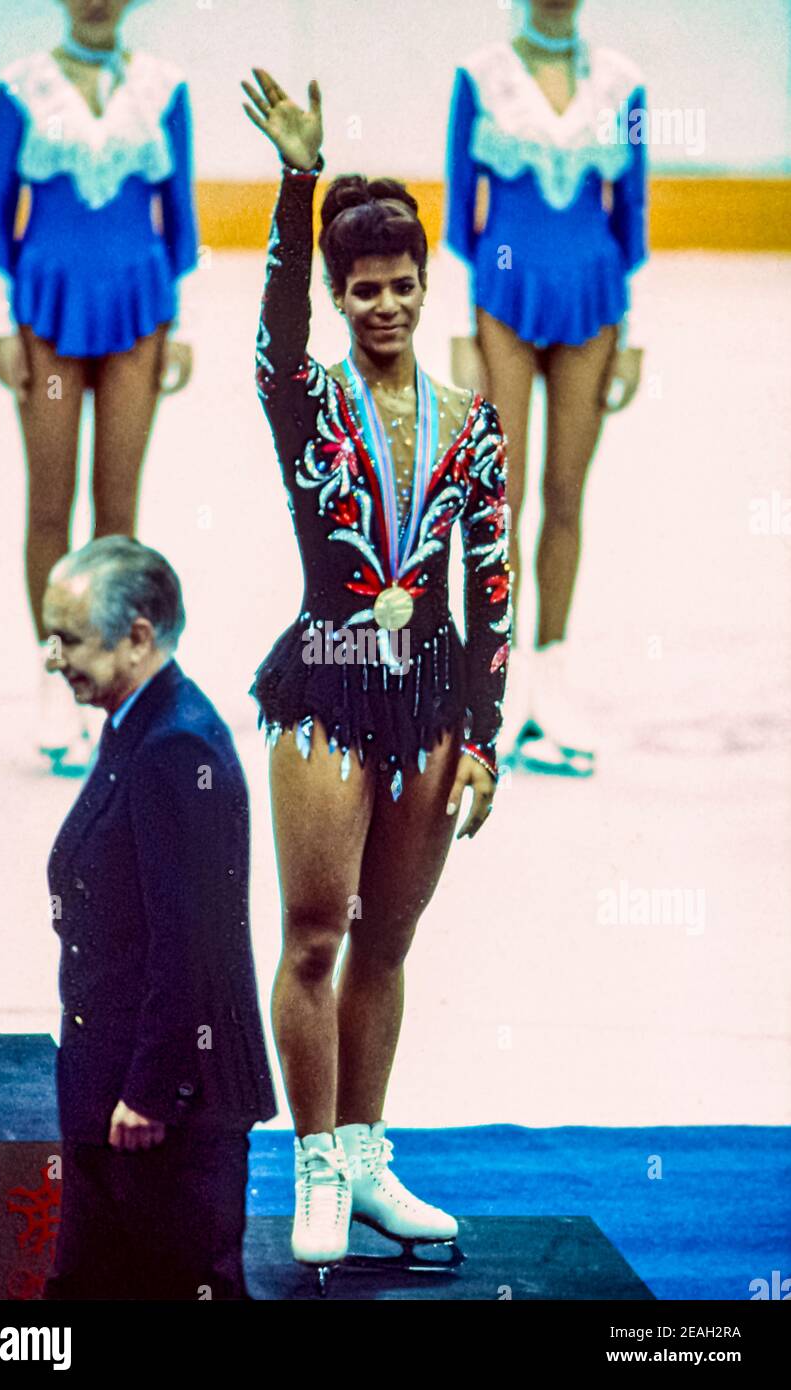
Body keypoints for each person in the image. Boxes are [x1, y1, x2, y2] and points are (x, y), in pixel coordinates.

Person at [241, 67, 512, 1268]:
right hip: (327, 687)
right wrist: (300, 179)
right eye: (365, 290)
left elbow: (491, 585)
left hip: (430, 701)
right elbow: (275, 319)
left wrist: (488, 731)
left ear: (422, 283)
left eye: (403, 285)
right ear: (342, 296)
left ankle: (362, 1156)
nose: (387, 304)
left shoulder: (473, 419)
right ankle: (310, 1162)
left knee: (385, 943)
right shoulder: (302, 399)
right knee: (312, 934)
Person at [41, 536, 276, 1300]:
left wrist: (150, 1091)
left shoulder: (175, 746)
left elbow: (192, 946)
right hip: (119, 1084)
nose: (51, 657)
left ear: (137, 635)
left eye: (68, 637)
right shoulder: (137, 722)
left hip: (165, 1110)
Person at [0, 0, 198, 772]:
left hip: (138, 313)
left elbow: (181, 226)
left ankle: (115, 681)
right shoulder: (21, 87)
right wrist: (3, 324)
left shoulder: (165, 88)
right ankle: (57, 669)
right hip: (47, 310)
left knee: (116, 509)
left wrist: (178, 323)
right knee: (50, 498)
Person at [444, 0, 648, 774]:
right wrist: (462, 332)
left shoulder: (622, 84)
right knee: (502, 494)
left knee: (565, 493)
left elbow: (633, 212)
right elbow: (462, 214)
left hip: (593, 301)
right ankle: (498, 677)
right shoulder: (480, 76)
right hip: (503, 297)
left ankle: (552, 673)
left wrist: (637, 335)